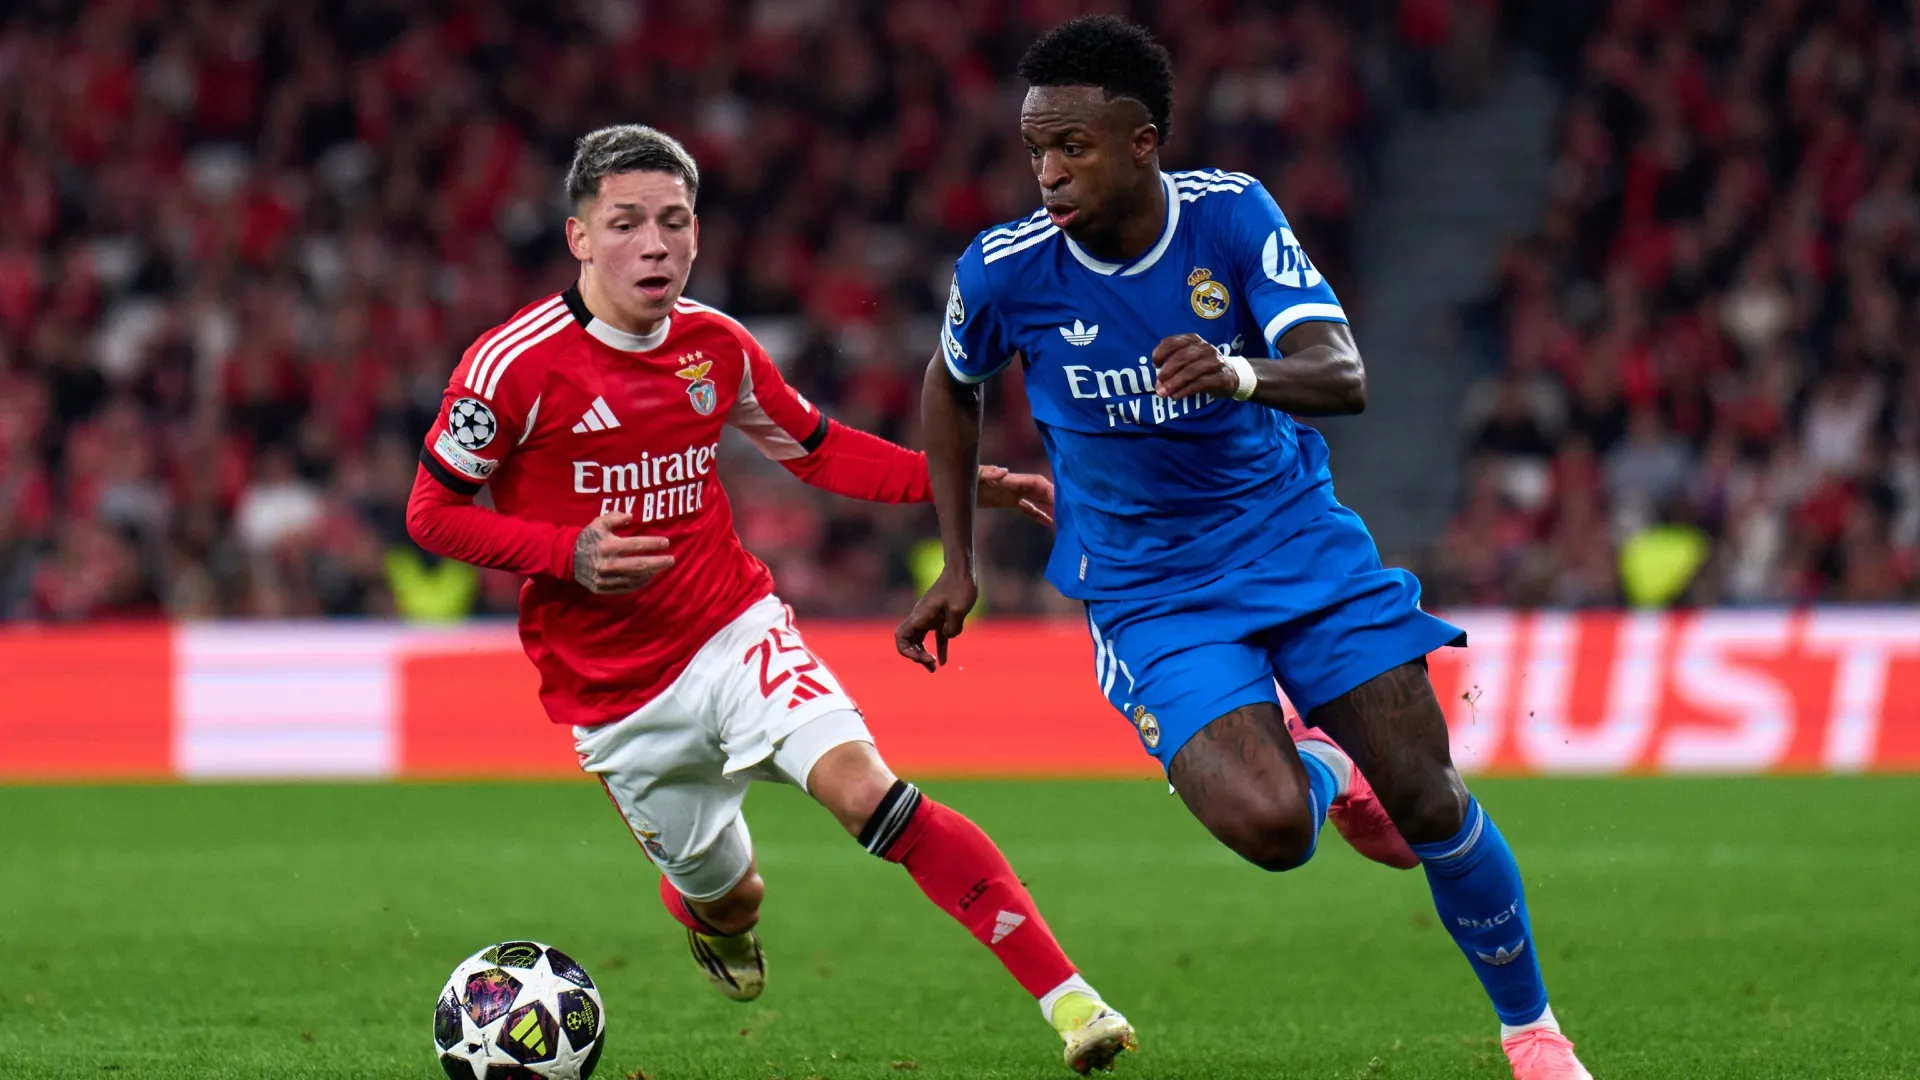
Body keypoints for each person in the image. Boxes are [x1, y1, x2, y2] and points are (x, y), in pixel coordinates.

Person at [896, 17, 1593, 1080]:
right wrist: (957, 559)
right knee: (1274, 830)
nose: (1046, 172)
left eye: (1072, 147)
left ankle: (1534, 1036)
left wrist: (1233, 371)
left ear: (1142, 142)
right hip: (1149, 590)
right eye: (1035, 148)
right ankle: (1319, 766)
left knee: (1428, 798)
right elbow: (953, 384)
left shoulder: (1229, 217)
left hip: (1294, 542)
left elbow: (1341, 370)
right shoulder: (1005, 270)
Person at [407, 124, 1136, 1074]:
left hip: (731, 629)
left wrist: (964, 480)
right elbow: (430, 514)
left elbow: (819, 448)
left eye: (674, 221)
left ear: (698, 233)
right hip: (615, 699)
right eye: (626, 223)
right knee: (733, 897)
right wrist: (563, 553)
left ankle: (1073, 1003)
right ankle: (709, 917)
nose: (655, 244)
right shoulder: (513, 367)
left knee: (866, 791)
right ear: (580, 237)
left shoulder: (717, 347)